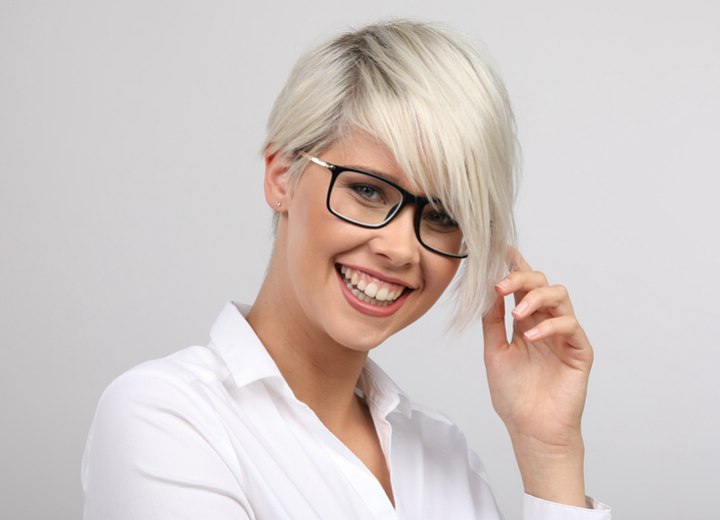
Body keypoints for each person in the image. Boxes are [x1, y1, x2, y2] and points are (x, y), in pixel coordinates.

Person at [82, 20, 611, 519]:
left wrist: (550, 451)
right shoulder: (167, 417)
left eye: (443, 215)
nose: (402, 248)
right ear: (282, 177)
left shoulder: (441, 452)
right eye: (366, 190)